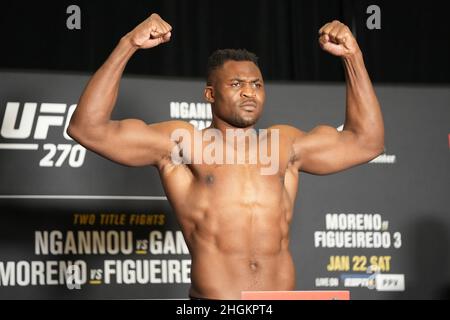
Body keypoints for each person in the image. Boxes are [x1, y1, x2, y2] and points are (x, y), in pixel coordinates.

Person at [67, 13, 384, 299]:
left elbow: (366, 143)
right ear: (210, 94)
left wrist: (353, 57)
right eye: (237, 84)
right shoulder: (184, 143)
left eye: (256, 84)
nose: (250, 92)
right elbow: (88, 128)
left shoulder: (283, 145)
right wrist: (128, 44)